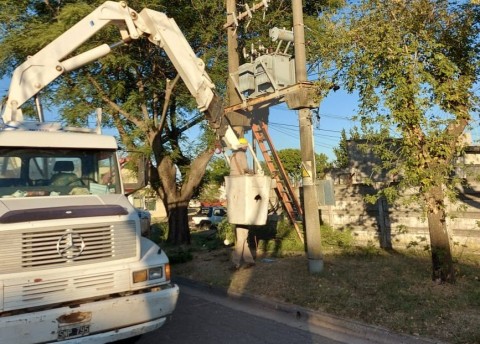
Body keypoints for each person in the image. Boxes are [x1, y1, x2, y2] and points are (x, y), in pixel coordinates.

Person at [229, 137, 255, 270]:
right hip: (241, 186)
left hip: (235, 188)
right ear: (243, 146)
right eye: (246, 145)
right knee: (241, 238)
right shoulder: (242, 154)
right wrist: (254, 173)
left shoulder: (232, 155)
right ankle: (236, 263)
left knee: (242, 236)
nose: (246, 147)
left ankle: (248, 260)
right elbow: (245, 169)